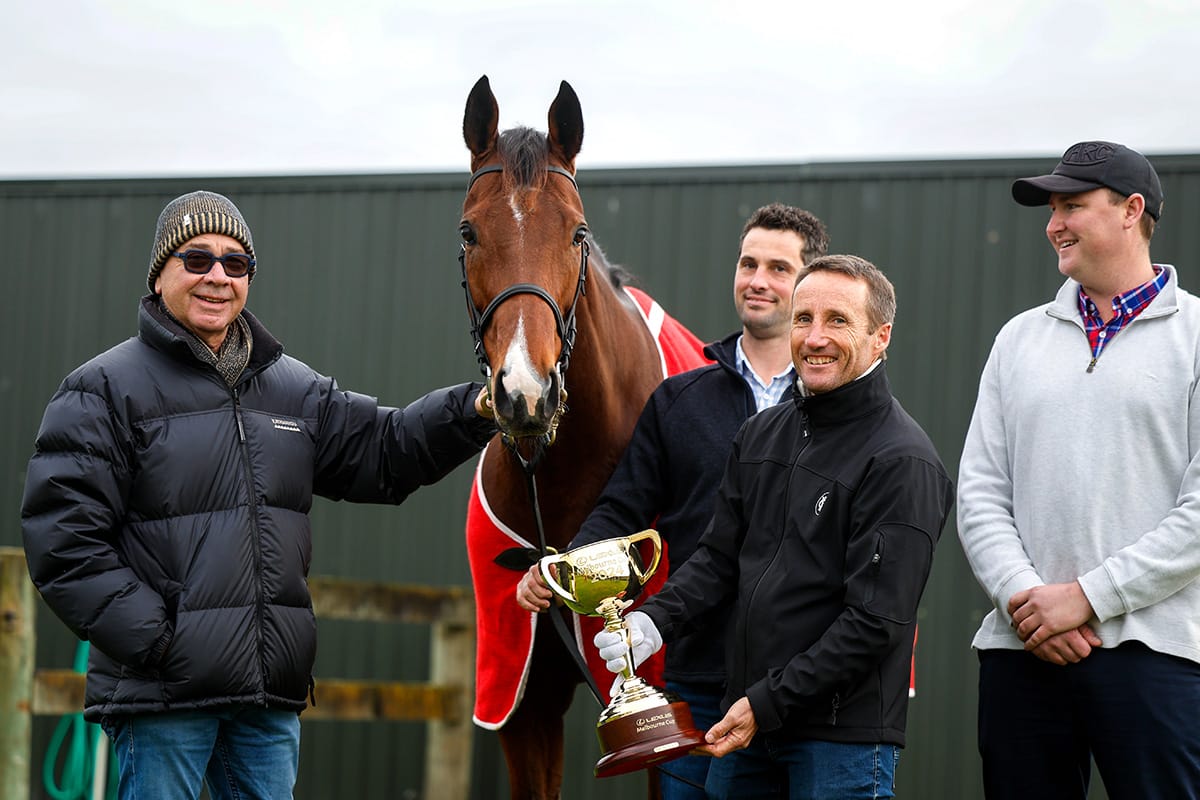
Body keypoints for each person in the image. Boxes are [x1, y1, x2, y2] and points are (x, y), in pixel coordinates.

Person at [19, 190, 496, 800]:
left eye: (235, 263)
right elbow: (63, 545)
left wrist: (478, 405)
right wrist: (161, 642)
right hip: (165, 701)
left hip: (266, 703)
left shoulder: (294, 390)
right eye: (197, 259)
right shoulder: (101, 391)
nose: (217, 276)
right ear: (160, 274)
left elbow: (386, 450)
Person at [593, 254, 954, 799]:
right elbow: (718, 560)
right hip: (750, 728)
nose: (814, 338)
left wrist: (765, 703)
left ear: (881, 338)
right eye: (804, 318)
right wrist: (652, 623)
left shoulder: (902, 461)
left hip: (839, 742)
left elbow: (874, 622)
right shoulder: (760, 435)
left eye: (837, 321)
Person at [516, 203, 829, 798]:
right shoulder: (679, 401)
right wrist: (562, 569)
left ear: (807, 285)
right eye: (748, 263)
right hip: (698, 678)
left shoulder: (837, 407)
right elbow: (623, 510)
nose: (757, 280)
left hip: (808, 683)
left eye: (778, 268)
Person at [958, 141, 1200, 799]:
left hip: (1158, 658)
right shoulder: (1017, 340)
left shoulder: (1197, 337)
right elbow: (980, 490)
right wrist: (1023, 599)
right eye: (1051, 208)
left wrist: (1087, 598)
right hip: (1022, 649)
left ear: (1131, 210)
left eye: (1071, 206)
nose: (1053, 223)